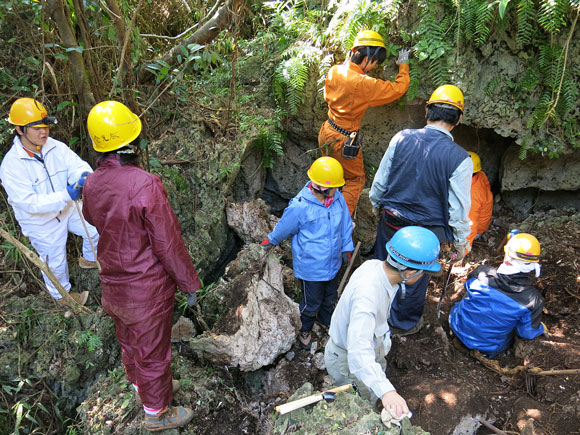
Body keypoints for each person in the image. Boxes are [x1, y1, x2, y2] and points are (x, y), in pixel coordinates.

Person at [82, 101, 200, 432]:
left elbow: (93, 218)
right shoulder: (144, 183)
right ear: (132, 143)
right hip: (146, 290)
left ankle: (144, 389)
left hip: (114, 286)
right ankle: (156, 412)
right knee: (154, 353)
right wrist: (189, 283)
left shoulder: (91, 183)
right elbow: (167, 242)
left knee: (130, 342)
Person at [369, 84, 473, 334]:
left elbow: (380, 182)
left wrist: (376, 207)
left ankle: (372, 313)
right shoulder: (461, 159)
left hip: (392, 220)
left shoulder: (401, 138)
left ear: (427, 113)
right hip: (425, 233)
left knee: (384, 265)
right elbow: (458, 210)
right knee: (413, 278)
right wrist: (460, 243)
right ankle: (400, 325)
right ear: (458, 119)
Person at [324, 226, 440, 416]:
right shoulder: (367, 297)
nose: (423, 277)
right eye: (423, 273)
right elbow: (358, 352)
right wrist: (387, 391)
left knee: (370, 393)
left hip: (369, 348)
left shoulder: (375, 267)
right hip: (348, 362)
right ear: (409, 273)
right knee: (358, 406)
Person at [0, 97, 99, 305]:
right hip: (41, 222)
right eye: (36, 128)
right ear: (20, 129)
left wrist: (83, 176)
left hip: (68, 207)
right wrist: (66, 195)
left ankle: (90, 259)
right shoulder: (11, 165)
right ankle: (62, 296)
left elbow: (76, 165)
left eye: (45, 126)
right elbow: (29, 203)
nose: (43, 131)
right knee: (55, 261)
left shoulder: (55, 147)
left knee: (94, 227)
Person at [261, 156, 354, 350]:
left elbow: (345, 224)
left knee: (330, 297)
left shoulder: (337, 199)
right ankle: (305, 329)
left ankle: (326, 322)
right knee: (311, 303)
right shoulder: (300, 207)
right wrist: (269, 241)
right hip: (311, 267)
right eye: (334, 186)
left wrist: (347, 247)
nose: (338, 190)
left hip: (333, 263)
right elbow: (283, 229)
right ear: (321, 187)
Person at [318, 29, 411, 216]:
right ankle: (336, 222)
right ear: (370, 58)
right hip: (344, 140)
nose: (374, 66)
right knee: (355, 179)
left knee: (327, 176)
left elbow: (326, 95)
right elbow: (398, 88)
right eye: (376, 62)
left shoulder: (335, 70)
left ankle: (317, 212)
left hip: (326, 130)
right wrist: (404, 66)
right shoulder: (363, 83)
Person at [449, 232, 546, 358]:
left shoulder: (482, 273)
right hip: (488, 348)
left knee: (469, 295)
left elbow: (467, 285)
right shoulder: (533, 300)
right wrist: (540, 328)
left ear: (507, 255)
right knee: (515, 326)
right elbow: (527, 333)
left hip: (456, 327)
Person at [466, 152, 493, 247]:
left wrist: (463, 251)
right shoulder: (480, 175)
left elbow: (470, 225)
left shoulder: (472, 194)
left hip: (476, 230)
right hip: (481, 222)